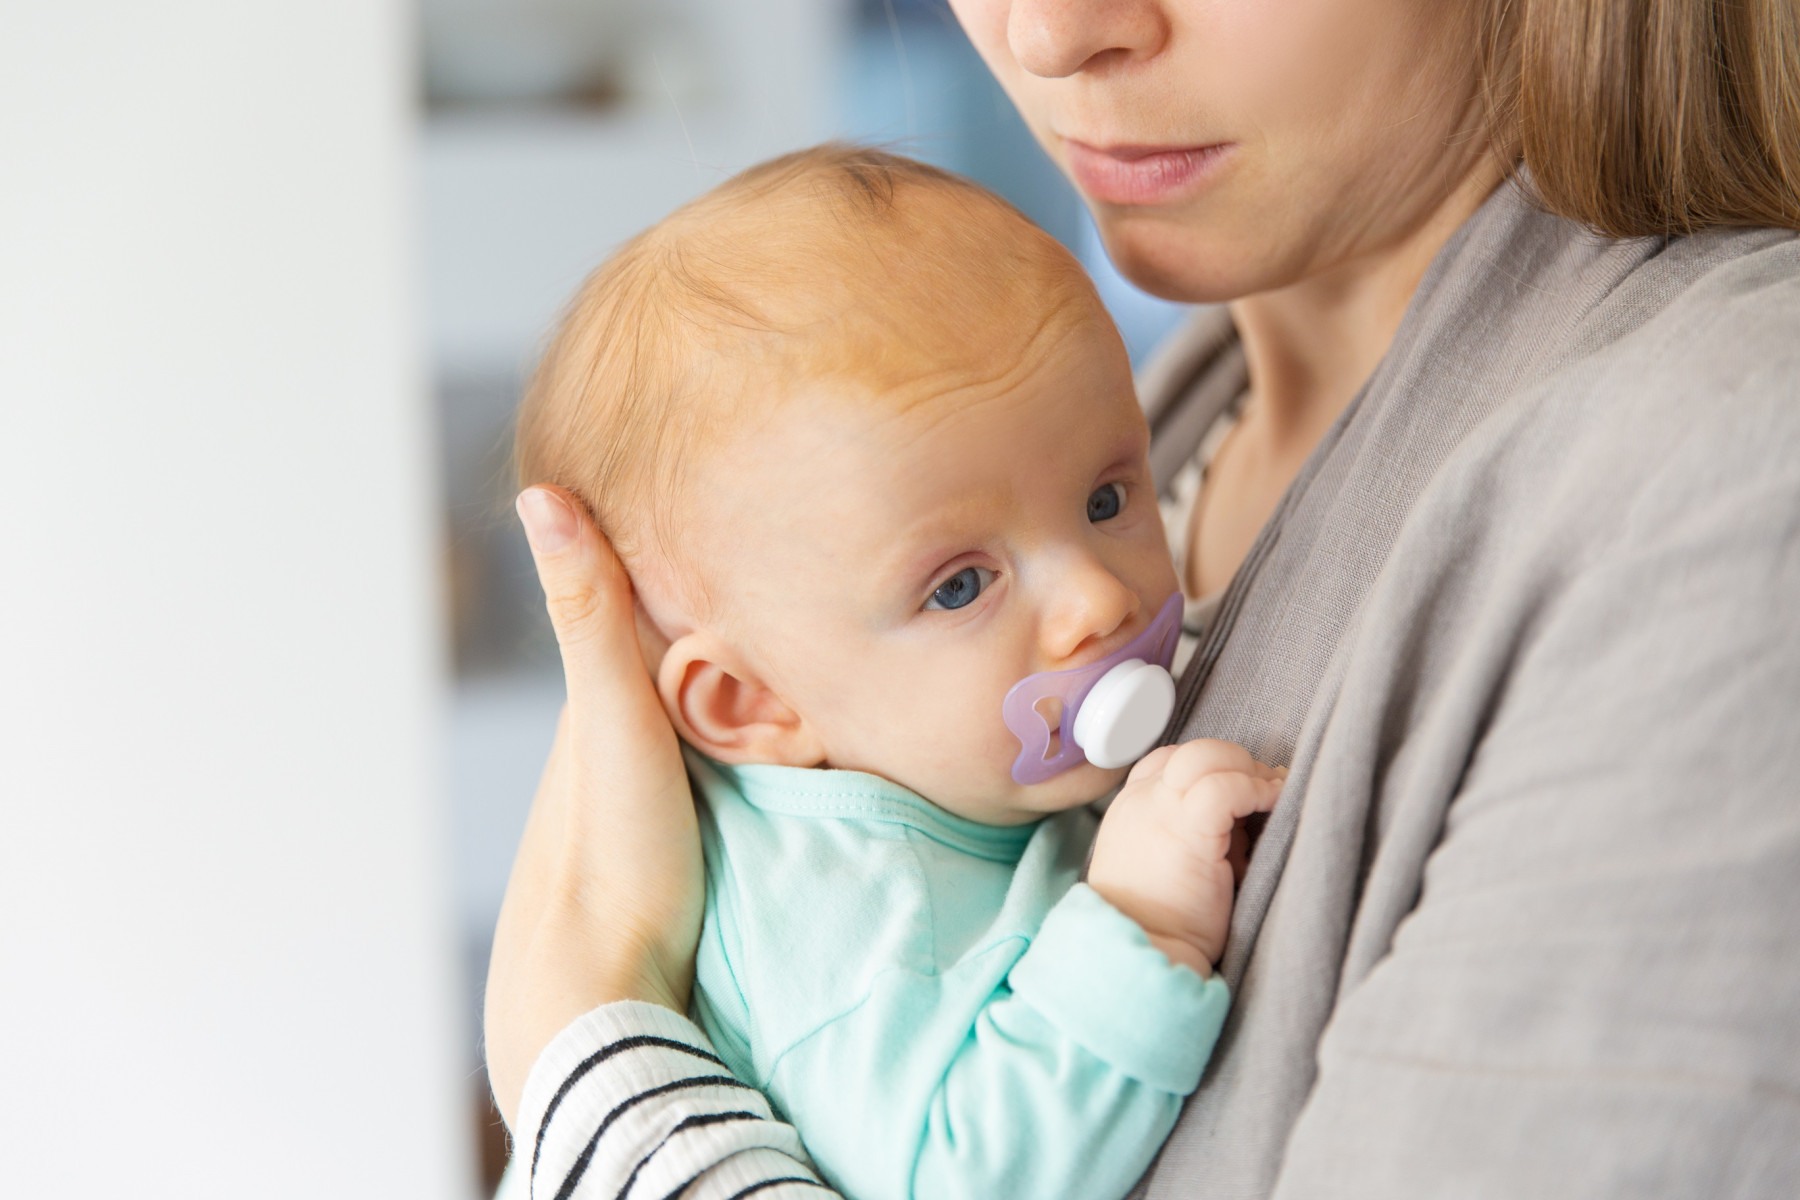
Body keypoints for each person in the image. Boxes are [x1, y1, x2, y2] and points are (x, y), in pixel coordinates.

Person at [485, 1, 1800, 1196]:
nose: (1048, 34)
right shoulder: (1156, 429)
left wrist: (584, 1052)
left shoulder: (1723, 483)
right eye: (957, 583)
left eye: (1099, 506)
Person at [507, 145, 1283, 1200]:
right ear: (752, 705)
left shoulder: (928, 751)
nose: (1098, 600)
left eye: (1106, 499)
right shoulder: (854, 922)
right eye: (961, 587)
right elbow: (962, 1177)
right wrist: (1143, 928)